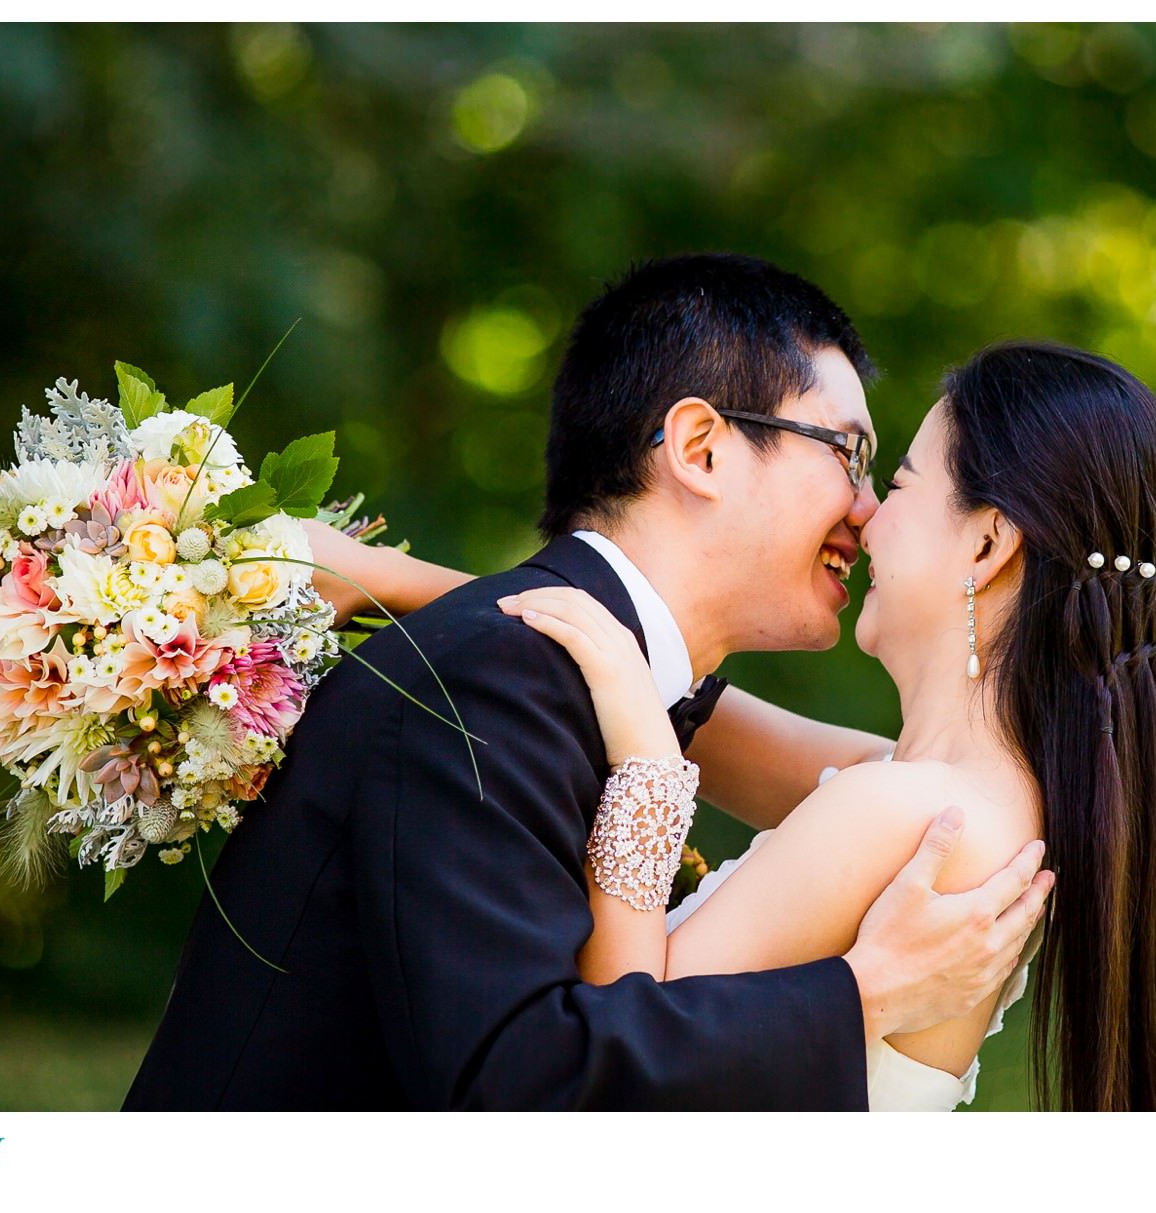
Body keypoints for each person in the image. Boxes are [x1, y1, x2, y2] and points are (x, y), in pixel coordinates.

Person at [122, 253, 1053, 1111]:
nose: (864, 506)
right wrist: (864, 993)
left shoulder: (553, 664)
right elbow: (524, 1082)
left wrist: (406, 581)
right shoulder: (492, 671)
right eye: (848, 452)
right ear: (701, 450)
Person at [498, 338, 1156, 1111]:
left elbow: (615, 1047)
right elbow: (678, 692)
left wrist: (647, 765)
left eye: (902, 483)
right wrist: (405, 590)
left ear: (988, 542)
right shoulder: (980, 799)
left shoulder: (909, 813)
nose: (864, 516)